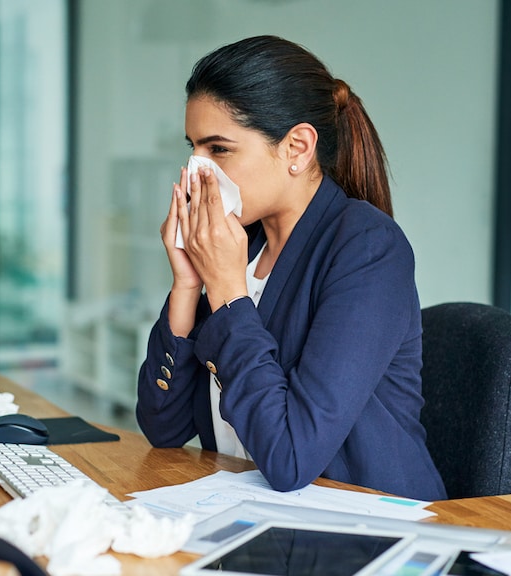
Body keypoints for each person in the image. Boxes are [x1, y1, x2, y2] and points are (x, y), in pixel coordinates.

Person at [136, 35, 446, 501]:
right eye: (193, 148)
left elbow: (289, 459)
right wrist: (187, 284)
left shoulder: (368, 249)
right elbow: (164, 427)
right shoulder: (246, 244)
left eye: (218, 150)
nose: (196, 170)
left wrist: (226, 290)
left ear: (298, 148)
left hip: (365, 532)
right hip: (257, 516)